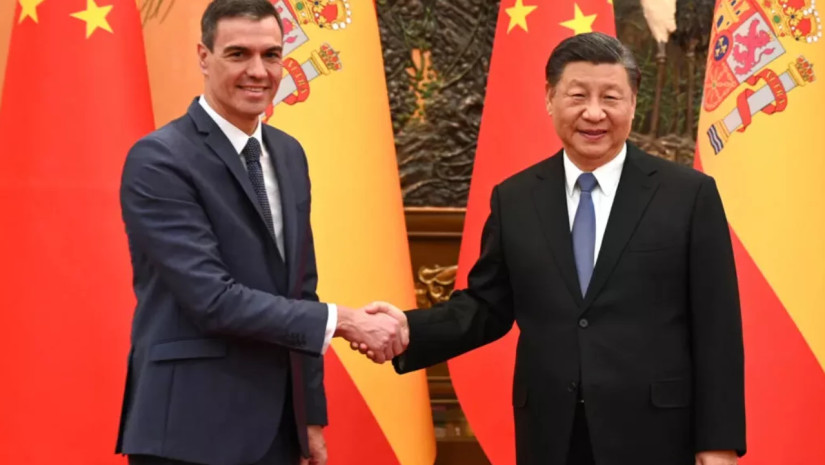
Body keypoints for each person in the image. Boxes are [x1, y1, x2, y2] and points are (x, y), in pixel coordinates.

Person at [362, 32, 746, 465]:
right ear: (550, 98)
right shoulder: (516, 198)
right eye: (578, 95)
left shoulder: (688, 195)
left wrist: (719, 442)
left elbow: (717, 326)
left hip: (655, 435)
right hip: (551, 434)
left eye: (611, 97)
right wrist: (408, 330)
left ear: (633, 102)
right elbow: (487, 307)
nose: (594, 113)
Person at [115, 1, 405, 464]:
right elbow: (212, 299)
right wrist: (346, 321)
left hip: (277, 431)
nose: (258, 71)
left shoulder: (289, 154)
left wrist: (309, 417)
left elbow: (300, 288)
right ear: (204, 57)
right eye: (238, 54)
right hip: (189, 432)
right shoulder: (159, 160)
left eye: (271, 55)